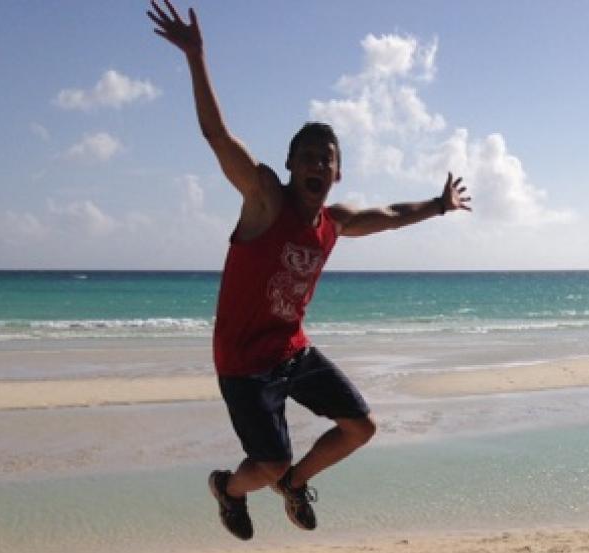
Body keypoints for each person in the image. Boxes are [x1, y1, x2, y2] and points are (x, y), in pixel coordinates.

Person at [147, 1, 471, 541]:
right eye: (310, 157)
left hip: (291, 352)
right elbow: (218, 138)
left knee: (360, 427)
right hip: (243, 363)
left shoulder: (334, 223)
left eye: (329, 159)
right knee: (265, 464)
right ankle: (229, 489)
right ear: (292, 164)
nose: (319, 165)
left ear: (337, 174)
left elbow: (389, 216)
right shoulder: (265, 201)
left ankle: (294, 484)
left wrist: (438, 205)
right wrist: (196, 58)